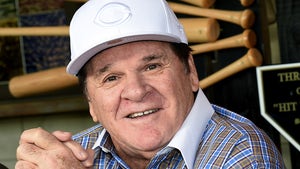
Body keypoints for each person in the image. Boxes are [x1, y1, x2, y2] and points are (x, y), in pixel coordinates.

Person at [16, 0, 285, 168]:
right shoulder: (73, 154)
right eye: (111, 78)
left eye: (152, 66)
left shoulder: (243, 154)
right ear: (91, 104)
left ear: (190, 71)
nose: (136, 90)